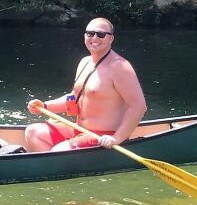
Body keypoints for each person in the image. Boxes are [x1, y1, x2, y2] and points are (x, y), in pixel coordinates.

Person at [25, 17, 147, 152]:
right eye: (90, 33)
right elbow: (74, 99)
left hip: (103, 136)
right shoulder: (85, 62)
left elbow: (138, 106)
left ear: (111, 39)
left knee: (58, 151)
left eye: (100, 34)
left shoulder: (120, 67)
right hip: (80, 129)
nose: (94, 38)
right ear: (85, 36)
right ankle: (53, 171)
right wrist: (45, 106)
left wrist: (117, 138)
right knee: (33, 132)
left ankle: (57, 167)